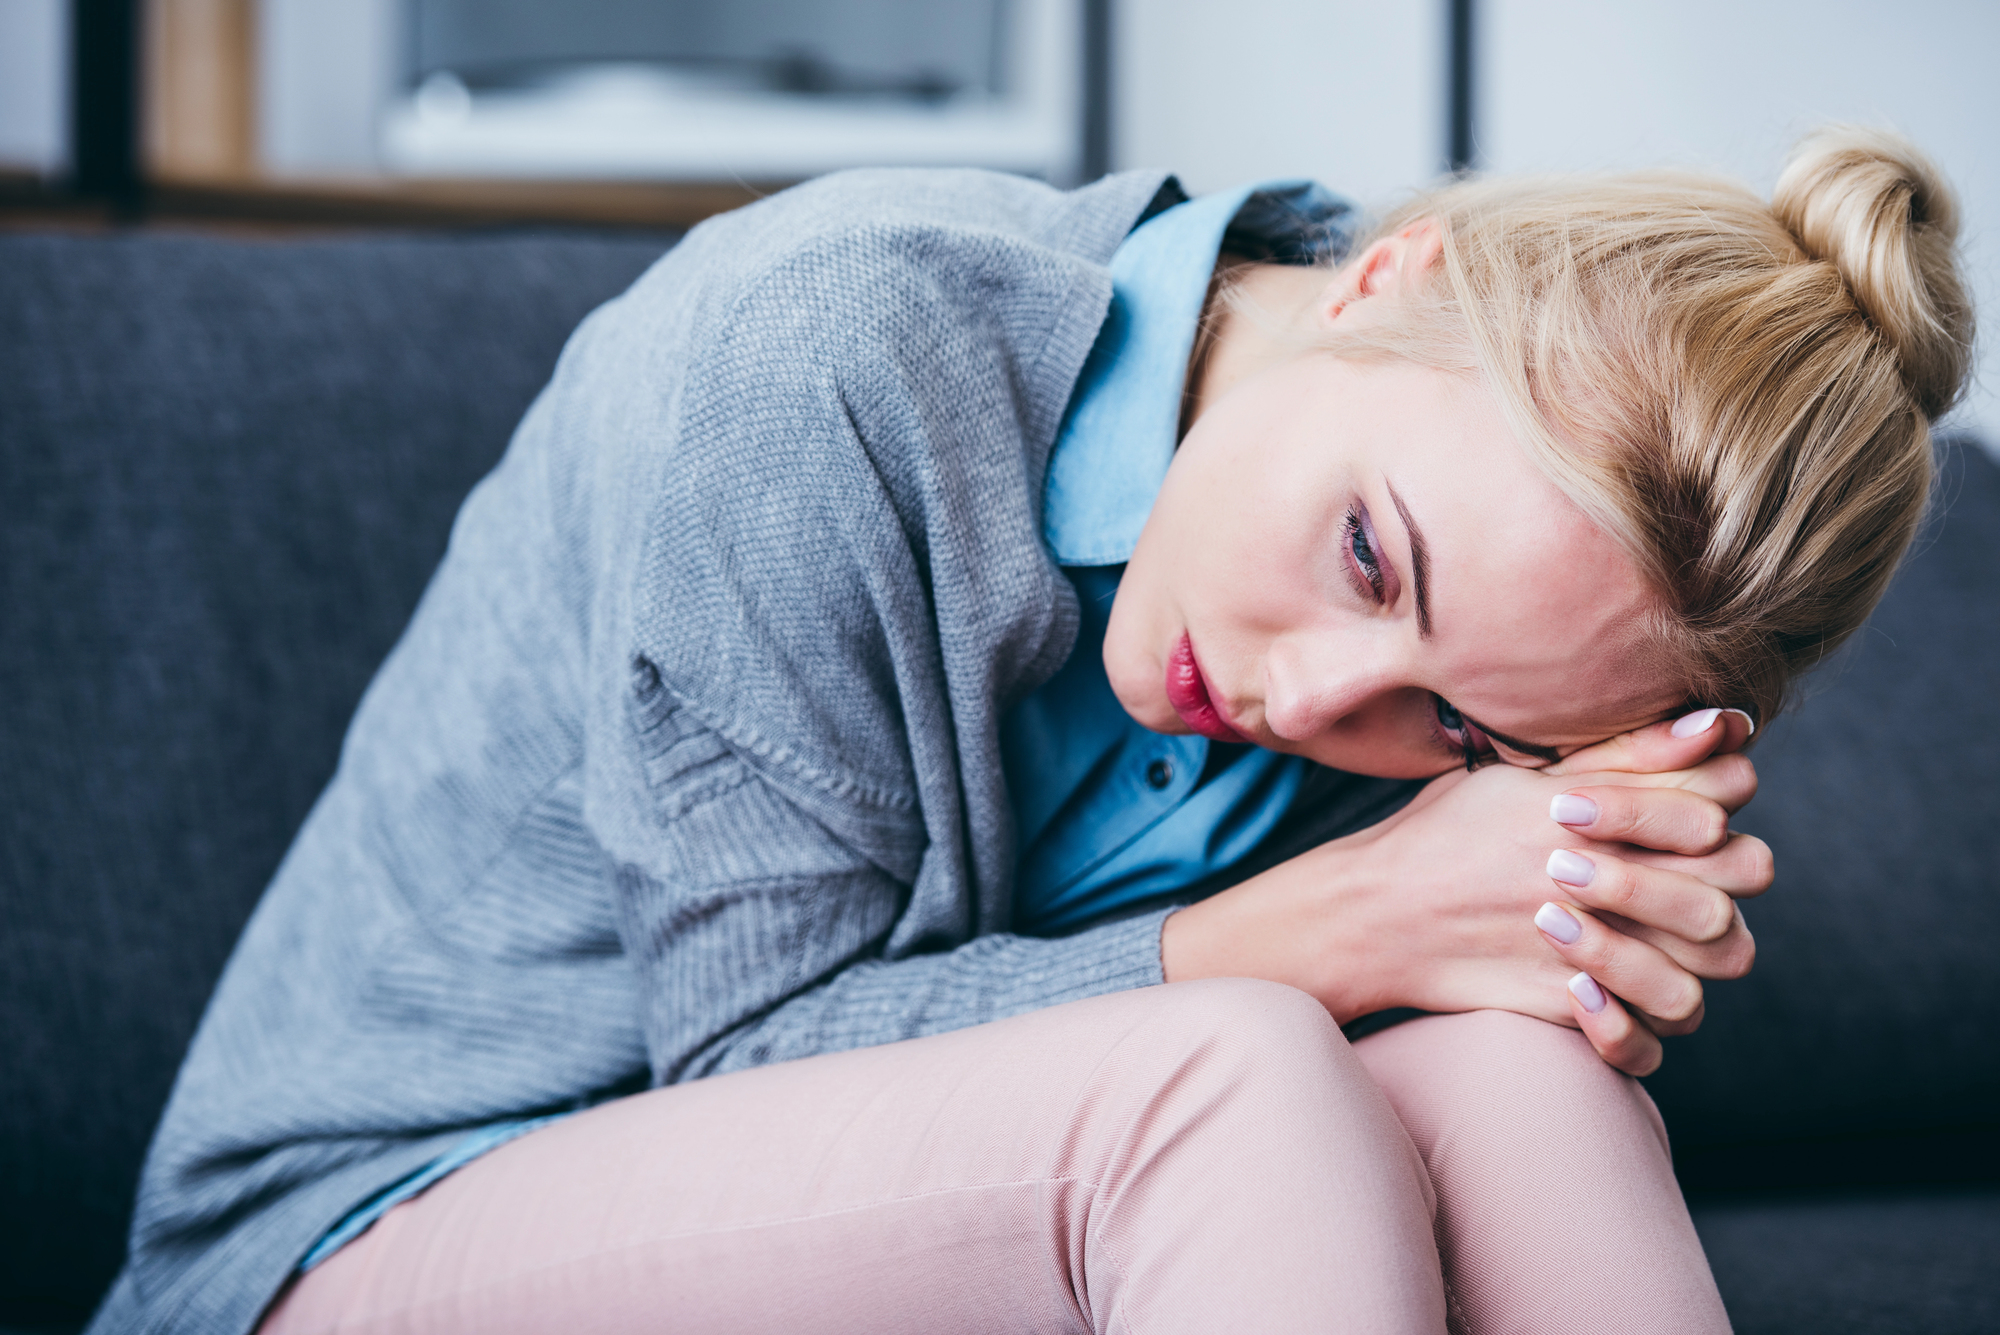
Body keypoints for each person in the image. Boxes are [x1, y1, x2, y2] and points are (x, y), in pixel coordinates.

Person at [92, 126, 1971, 1335]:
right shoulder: (823, 357)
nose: (1315, 704)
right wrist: (1350, 926)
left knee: (1524, 1088)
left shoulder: (1440, 641)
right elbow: (745, 1068)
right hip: (348, 1241)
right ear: (1394, 281)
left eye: (1463, 733)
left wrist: (1572, 921)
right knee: (1230, 1081)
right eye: (1364, 555)